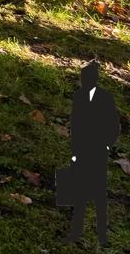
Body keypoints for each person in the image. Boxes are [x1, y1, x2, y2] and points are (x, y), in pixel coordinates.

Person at [60, 62, 120, 245]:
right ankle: (75, 233)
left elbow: (114, 124)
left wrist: (106, 145)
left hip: (98, 151)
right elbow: (76, 125)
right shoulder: (78, 97)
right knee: (79, 192)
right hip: (81, 150)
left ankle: (103, 236)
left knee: (100, 194)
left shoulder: (105, 98)